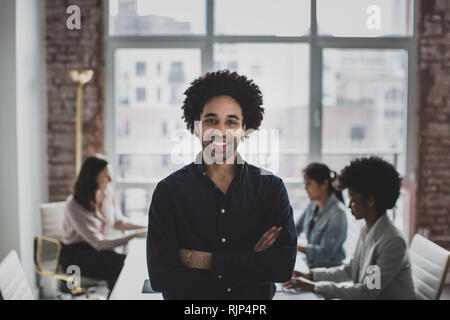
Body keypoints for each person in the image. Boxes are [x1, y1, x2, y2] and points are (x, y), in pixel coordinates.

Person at [146, 70, 297, 300]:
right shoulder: (169, 192)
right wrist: (250, 259)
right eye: (211, 120)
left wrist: (203, 260)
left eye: (231, 122)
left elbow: (281, 268)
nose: (221, 131)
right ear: (196, 126)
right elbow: (161, 277)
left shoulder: (270, 188)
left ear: (244, 128)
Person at [283, 157, 415, 300]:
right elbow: (351, 270)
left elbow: (368, 292)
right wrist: (311, 276)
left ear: (370, 201)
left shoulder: (391, 242)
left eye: (353, 199)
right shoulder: (368, 229)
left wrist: (315, 287)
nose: (349, 205)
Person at [60, 155, 148, 295]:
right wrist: (134, 236)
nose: (111, 180)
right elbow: (98, 243)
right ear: (92, 177)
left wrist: (145, 227)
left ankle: (118, 296)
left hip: (97, 251)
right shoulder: (74, 205)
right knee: (123, 265)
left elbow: (118, 222)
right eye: (106, 176)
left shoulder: (107, 193)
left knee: (123, 264)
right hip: (75, 256)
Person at [296, 163, 347, 268]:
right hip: (311, 267)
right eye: (304, 184)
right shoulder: (312, 205)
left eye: (309, 183)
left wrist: (295, 247)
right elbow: (295, 229)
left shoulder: (338, 213)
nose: (305, 188)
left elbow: (325, 253)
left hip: (329, 273)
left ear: (324, 184)